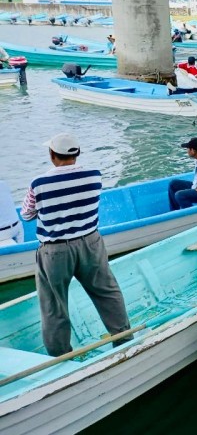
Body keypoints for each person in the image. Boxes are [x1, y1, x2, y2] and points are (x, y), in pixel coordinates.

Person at [20, 133, 131, 356]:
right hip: (91, 243)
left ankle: (60, 356)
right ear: (77, 154)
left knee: (54, 304)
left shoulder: (38, 183)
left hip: (55, 251)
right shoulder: (94, 176)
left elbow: (26, 214)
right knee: (106, 292)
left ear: (52, 155)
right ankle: (124, 339)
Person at [0, 179, 23, 245]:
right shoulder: (3, 183)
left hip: (1, 233)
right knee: (19, 225)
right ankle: (21, 248)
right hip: (16, 228)